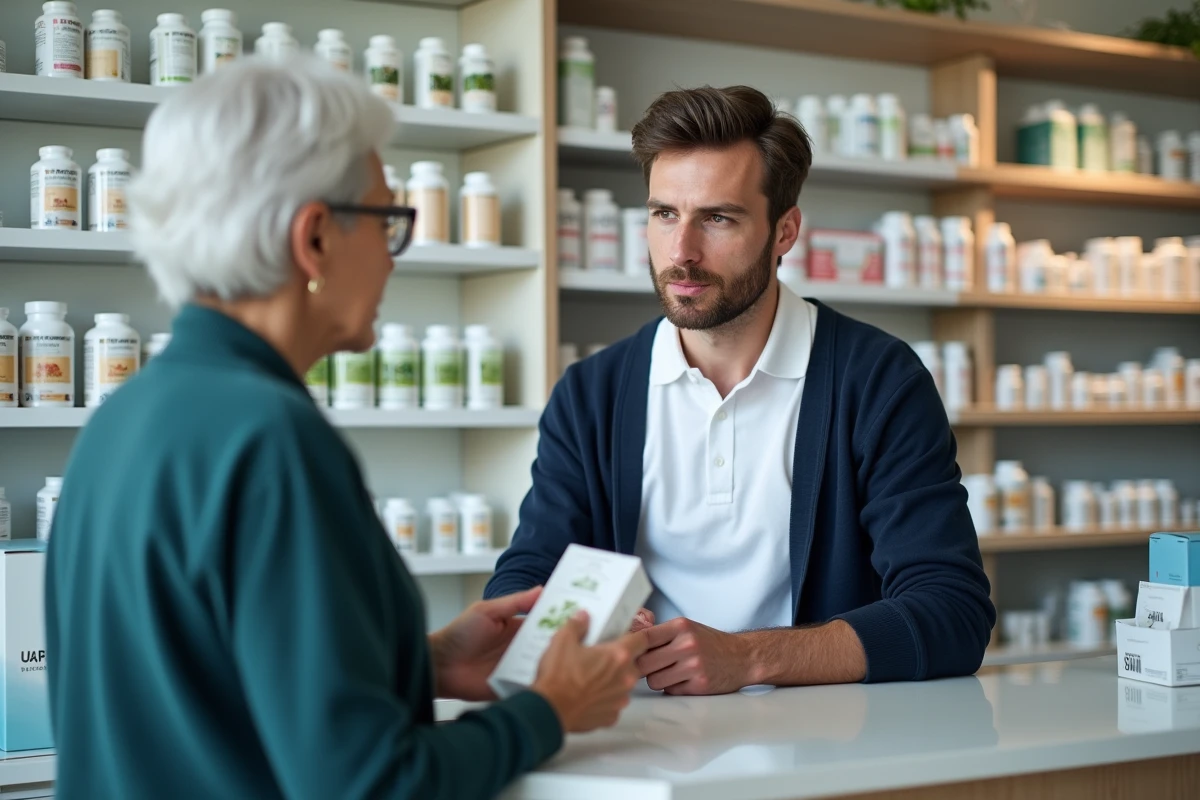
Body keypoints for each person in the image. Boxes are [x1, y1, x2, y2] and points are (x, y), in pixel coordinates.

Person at [45, 58, 646, 799]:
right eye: (388, 221)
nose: (394, 259)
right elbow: (370, 785)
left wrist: (422, 660)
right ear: (316, 239)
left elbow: (196, 677)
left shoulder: (124, 418)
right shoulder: (272, 441)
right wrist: (547, 711)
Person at [486, 85, 995, 694]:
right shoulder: (592, 392)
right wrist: (563, 623)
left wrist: (750, 657)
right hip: (644, 737)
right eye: (664, 214)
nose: (681, 253)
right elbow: (526, 581)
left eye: (718, 218)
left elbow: (953, 613)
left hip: (827, 746)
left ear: (785, 231)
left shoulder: (879, 378)